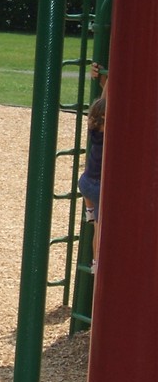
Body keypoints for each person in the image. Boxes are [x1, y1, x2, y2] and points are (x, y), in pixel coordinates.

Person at [79, 62, 108, 272]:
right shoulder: (110, 134)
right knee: (100, 229)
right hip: (98, 186)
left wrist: (106, 81)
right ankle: (97, 262)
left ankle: (89, 210)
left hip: (86, 182)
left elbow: (104, 102)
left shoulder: (95, 128)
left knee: (86, 190)